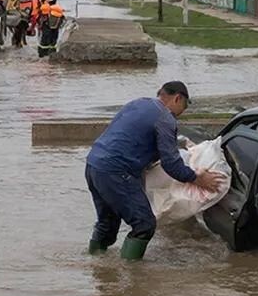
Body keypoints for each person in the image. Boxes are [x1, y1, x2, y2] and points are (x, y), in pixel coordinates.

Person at [85, 82, 221, 261]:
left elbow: (130, 138)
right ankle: (134, 277)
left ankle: (95, 266)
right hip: (116, 171)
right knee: (144, 225)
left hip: (94, 165)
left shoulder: (138, 103)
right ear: (177, 98)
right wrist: (197, 178)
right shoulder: (165, 118)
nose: (183, 111)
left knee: (107, 223)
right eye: (185, 105)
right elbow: (171, 164)